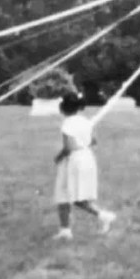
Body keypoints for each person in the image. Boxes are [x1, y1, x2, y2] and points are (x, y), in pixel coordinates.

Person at [52, 92, 116, 241]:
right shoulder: (85, 121)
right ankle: (65, 230)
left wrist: (58, 157)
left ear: (63, 108)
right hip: (87, 157)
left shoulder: (67, 123)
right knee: (63, 194)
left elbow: (69, 147)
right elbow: (94, 141)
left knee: (76, 197)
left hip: (74, 160)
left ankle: (104, 216)